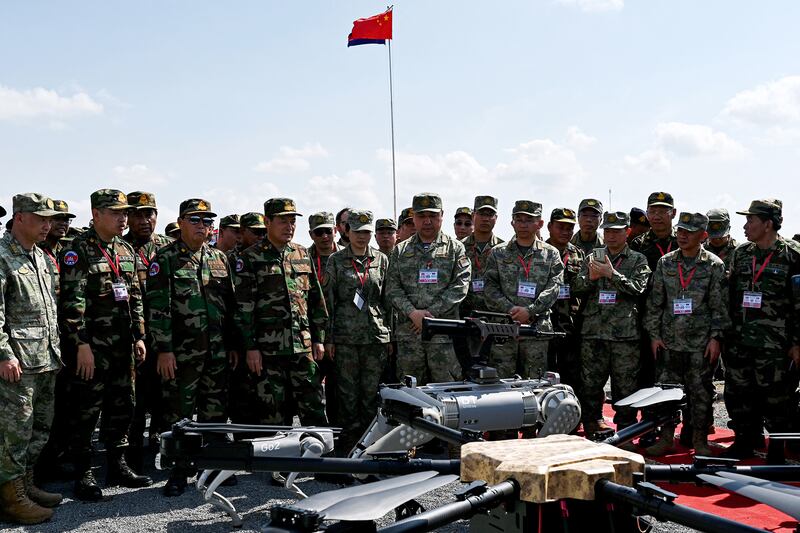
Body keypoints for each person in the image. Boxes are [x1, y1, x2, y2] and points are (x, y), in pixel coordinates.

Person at [59, 189, 152, 502]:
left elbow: (134, 297)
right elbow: (72, 303)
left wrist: (139, 336)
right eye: (115, 213)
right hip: (93, 348)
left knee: (122, 405)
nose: (122, 218)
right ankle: (84, 472)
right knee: (87, 409)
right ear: (96, 214)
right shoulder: (77, 250)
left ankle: (117, 464)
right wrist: (80, 344)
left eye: (124, 212)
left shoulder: (125, 249)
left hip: (123, 346)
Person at [147, 199, 238, 495]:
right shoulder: (166, 258)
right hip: (181, 353)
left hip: (216, 350)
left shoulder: (218, 258)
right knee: (179, 414)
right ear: (181, 222)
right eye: (195, 220)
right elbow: (157, 308)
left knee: (215, 412)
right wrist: (164, 350)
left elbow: (229, 305)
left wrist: (232, 344)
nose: (202, 226)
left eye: (208, 221)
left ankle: (211, 467)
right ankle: (179, 470)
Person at [233, 198, 328, 426]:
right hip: (268, 351)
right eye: (283, 221)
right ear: (267, 222)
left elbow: (315, 300)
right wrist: (251, 347)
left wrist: (319, 338)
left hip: (302, 347)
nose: (289, 227)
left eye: (292, 221)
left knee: (314, 408)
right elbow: (243, 309)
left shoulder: (301, 253)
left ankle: (319, 448)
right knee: (273, 413)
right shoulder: (250, 258)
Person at [643, 212, 730, 456]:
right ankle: (666, 437)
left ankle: (699, 440)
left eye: (689, 232)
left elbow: (719, 307)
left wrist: (716, 338)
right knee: (666, 392)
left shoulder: (713, 265)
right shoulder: (666, 262)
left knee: (700, 394)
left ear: (703, 235)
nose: (682, 236)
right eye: (680, 230)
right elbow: (655, 302)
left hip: (700, 344)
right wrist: (654, 335)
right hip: (669, 341)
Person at [0, 194, 62, 524]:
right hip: (17, 364)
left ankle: (25, 484)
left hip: (45, 358)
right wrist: (3, 354)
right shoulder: (2, 256)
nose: (47, 225)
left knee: (39, 428)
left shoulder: (40, 256)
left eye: (49, 219)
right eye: (41, 218)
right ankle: (11, 498)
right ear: (20, 217)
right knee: (16, 433)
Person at [725, 199, 800, 463]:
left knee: (778, 399)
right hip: (741, 339)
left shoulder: (793, 254)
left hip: (776, 344)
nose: (745, 226)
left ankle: (777, 450)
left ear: (768, 224)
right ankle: (744, 442)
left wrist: (797, 343)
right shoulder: (742, 253)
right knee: (739, 395)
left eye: (751, 220)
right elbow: (731, 295)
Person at [573, 211, 650, 436]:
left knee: (625, 385)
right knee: (590, 383)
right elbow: (576, 288)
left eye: (616, 231)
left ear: (627, 232)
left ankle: (625, 429)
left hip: (624, 335)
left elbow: (639, 288)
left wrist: (611, 274)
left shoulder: (637, 259)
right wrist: (591, 278)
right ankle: (592, 424)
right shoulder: (593, 257)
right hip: (594, 332)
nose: (611, 236)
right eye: (607, 231)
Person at [323, 210, 390, 455]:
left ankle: (371, 447)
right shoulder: (336, 260)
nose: (362, 237)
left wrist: (389, 335)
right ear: (347, 232)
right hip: (345, 339)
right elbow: (328, 302)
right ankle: (347, 448)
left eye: (367, 232)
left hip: (375, 337)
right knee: (347, 397)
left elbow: (387, 299)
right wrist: (329, 338)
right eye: (357, 232)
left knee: (371, 396)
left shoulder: (381, 259)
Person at [385, 193, 470, 384]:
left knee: (447, 390)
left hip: (443, 335)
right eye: (422, 216)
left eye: (432, 215)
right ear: (414, 217)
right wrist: (412, 313)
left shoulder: (455, 249)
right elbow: (392, 288)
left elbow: (460, 287)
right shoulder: (400, 250)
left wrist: (429, 316)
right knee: (410, 392)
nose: (427, 221)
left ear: (442, 215)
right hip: (410, 335)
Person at [122, 191, 173, 468]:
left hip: (166, 337)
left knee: (166, 396)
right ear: (128, 217)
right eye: (138, 215)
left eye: (149, 214)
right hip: (135, 337)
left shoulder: (168, 247)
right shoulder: (120, 248)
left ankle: (161, 444)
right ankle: (132, 452)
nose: (144, 220)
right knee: (136, 399)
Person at [483, 201, 563, 379]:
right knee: (500, 382)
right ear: (512, 223)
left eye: (529, 220)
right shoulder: (498, 252)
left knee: (535, 382)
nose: (523, 224)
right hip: (503, 329)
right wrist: (511, 310)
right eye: (519, 219)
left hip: (536, 329)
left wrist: (530, 311)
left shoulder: (551, 254)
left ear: (539, 223)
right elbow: (489, 287)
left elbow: (554, 287)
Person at [457, 196, 504, 373]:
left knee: (493, 371)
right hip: (465, 319)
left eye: (490, 215)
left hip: (495, 321)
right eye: (482, 214)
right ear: (473, 215)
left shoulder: (505, 249)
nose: (485, 218)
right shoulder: (458, 248)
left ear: (496, 218)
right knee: (465, 370)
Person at [545, 207, 585, 389]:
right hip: (546, 321)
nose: (565, 232)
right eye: (560, 227)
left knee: (572, 375)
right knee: (545, 373)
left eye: (569, 228)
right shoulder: (540, 251)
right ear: (549, 227)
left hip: (570, 323)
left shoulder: (578, 254)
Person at [307, 211, 339, 426]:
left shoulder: (347, 257)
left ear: (335, 230)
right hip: (312, 336)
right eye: (319, 233)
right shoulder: (302, 258)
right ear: (311, 235)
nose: (325, 236)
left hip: (340, 335)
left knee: (338, 392)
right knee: (311, 392)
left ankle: (338, 435)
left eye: (328, 231)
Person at [38, 200, 75, 275]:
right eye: (57, 219)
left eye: (66, 220)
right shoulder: (36, 249)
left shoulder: (66, 251)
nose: (63, 223)